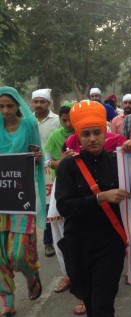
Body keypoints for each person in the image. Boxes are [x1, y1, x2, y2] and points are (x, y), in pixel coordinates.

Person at [56, 100, 131, 317]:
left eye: (97, 132)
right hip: (79, 245)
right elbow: (64, 206)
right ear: (78, 137)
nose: (92, 138)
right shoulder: (68, 166)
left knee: (103, 305)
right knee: (91, 302)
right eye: (86, 134)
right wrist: (100, 198)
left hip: (110, 245)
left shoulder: (118, 160)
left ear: (105, 133)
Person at [0, 86, 46, 317]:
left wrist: (36, 157)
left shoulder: (29, 125)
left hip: (20, 199)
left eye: (9, 105)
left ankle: (30, 273)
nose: (5, 110)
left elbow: (36, 155)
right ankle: (7, 300)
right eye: (1, 106)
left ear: (18, 105)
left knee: (17, 253)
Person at [43, 102, 76, 295]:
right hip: (60, 187)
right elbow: (47, 160)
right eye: (64, 120)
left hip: (84, 190)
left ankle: (84, 275)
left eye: (72, 120)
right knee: (59, 235)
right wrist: (61, 162)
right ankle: (67, 275)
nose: (68, 124)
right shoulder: (55, 137)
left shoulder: (85, 133)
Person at [31, 88, 60, 258]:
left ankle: (48, 242)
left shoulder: (56, 121)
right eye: (36, 101)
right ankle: (28, 243)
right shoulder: (27, 121)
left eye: (42, 102)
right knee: (31, 205)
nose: (39, 105)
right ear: (32, 103)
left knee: (49, 205)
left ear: (48, 103)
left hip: (50, 168)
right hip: (30, 167)